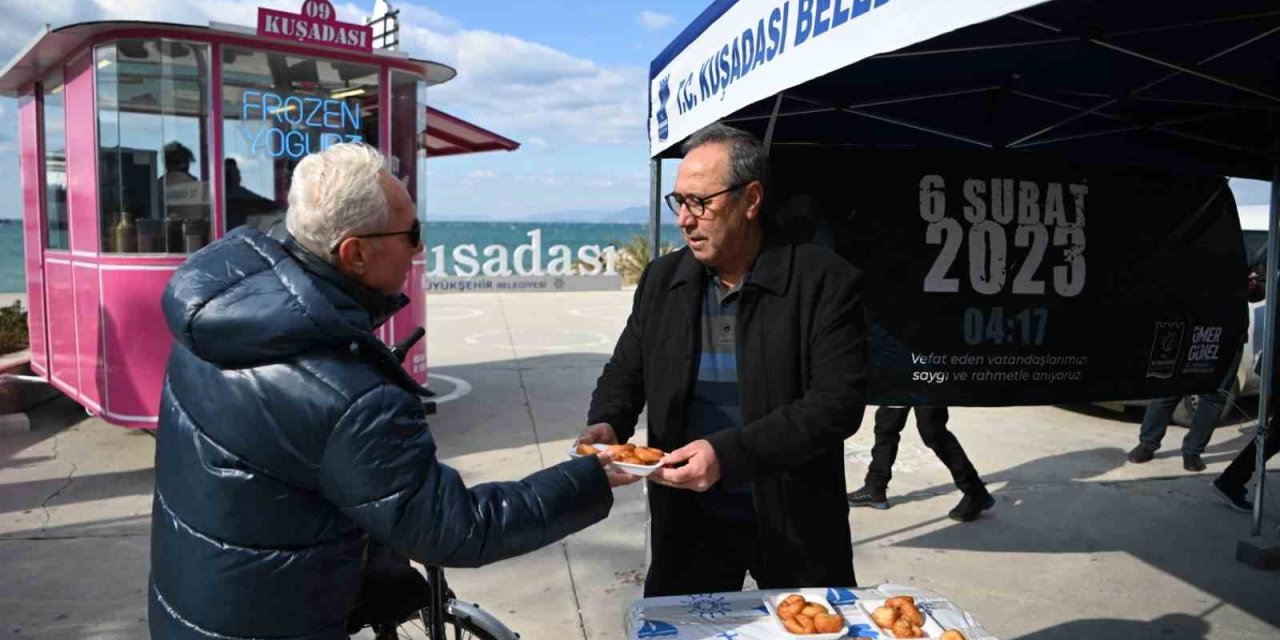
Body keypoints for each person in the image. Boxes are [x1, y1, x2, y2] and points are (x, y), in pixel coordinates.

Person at [149, 143, 637, 640]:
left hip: (190, 605)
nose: (419, 249)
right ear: (354, 253)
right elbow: (454, 529)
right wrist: (588, 478)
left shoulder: (219, 318)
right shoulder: (350, 394)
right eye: (412, 234)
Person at [580, 123, 868, 597]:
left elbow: (837, 405)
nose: (684, 220)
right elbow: (627, 370)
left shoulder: (823, 281)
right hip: (689, 522)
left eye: (700, 202)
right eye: (679, 202)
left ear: (751, 200)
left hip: (795, 521)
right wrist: (608, 423)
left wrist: (727, 456)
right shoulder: (663, 279)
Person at [847, 406, 995, 521]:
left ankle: (975, 492)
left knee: (932, 429)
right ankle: (875, 487)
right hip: (899, 372)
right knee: (887, 423)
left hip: (928, 373)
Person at [1127, 344, 1243, 472]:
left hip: (1230, 336)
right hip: (1192, 332)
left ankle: (1192, 452)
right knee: (1169, 387)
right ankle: (1147, 444)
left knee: (1214, 395)